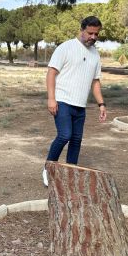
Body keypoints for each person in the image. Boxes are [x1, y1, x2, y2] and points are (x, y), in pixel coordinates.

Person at [43, 15, 107, 186]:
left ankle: (70, 172)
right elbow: (51, 73)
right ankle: (48, 168)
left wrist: (101, 104)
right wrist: (51, 99)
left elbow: (95, 81)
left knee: (77, 140)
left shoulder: (95, 54)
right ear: (82, 30)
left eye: (96, 34)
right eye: (90, 33)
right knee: (65, 135)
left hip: (80, 105)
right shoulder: (66, 47)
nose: (93, 37)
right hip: (62, 100)